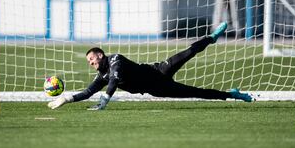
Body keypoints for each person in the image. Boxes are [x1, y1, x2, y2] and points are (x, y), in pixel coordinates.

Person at [48, 22, 254, 110]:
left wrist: (105, 101)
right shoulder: (101, 75)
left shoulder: (115, 59)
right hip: (157, 88)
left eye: (92, 59)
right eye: (89, 62)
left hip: (159, 70)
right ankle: (233, 94)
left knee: (188, 52)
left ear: (100, 55)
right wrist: (67, 98)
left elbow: (114, 80)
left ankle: (211, 38)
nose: (91, 63)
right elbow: (88, 92)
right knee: (198, 92)